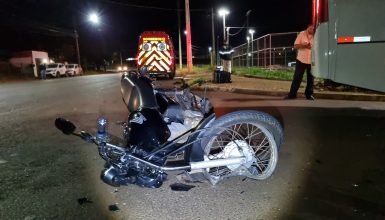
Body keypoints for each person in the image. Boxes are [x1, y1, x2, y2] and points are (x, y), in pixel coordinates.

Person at [285, 24, 315, 100]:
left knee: (311, 79)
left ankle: (309, 95)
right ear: (307, 27)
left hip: (312, 60)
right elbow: (295, 46)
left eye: (313, 29)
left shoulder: (316, 35)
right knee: (297, 78)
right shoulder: (302, 34)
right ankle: (292, 94)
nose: (311, 30)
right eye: (310, 29)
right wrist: (304, 45)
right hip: (301, 59)